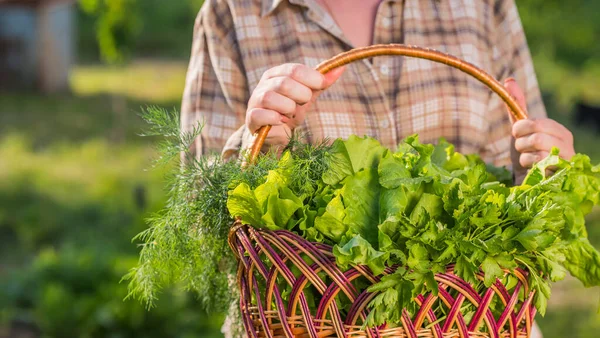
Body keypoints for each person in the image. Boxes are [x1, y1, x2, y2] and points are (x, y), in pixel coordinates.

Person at [181, 0, 573, 336]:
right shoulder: (232, 11)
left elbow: (522, 168)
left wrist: (544, 170)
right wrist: (257, 144)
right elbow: (202, 228)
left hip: (472, 321)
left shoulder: (481, 5)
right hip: (307, 324)